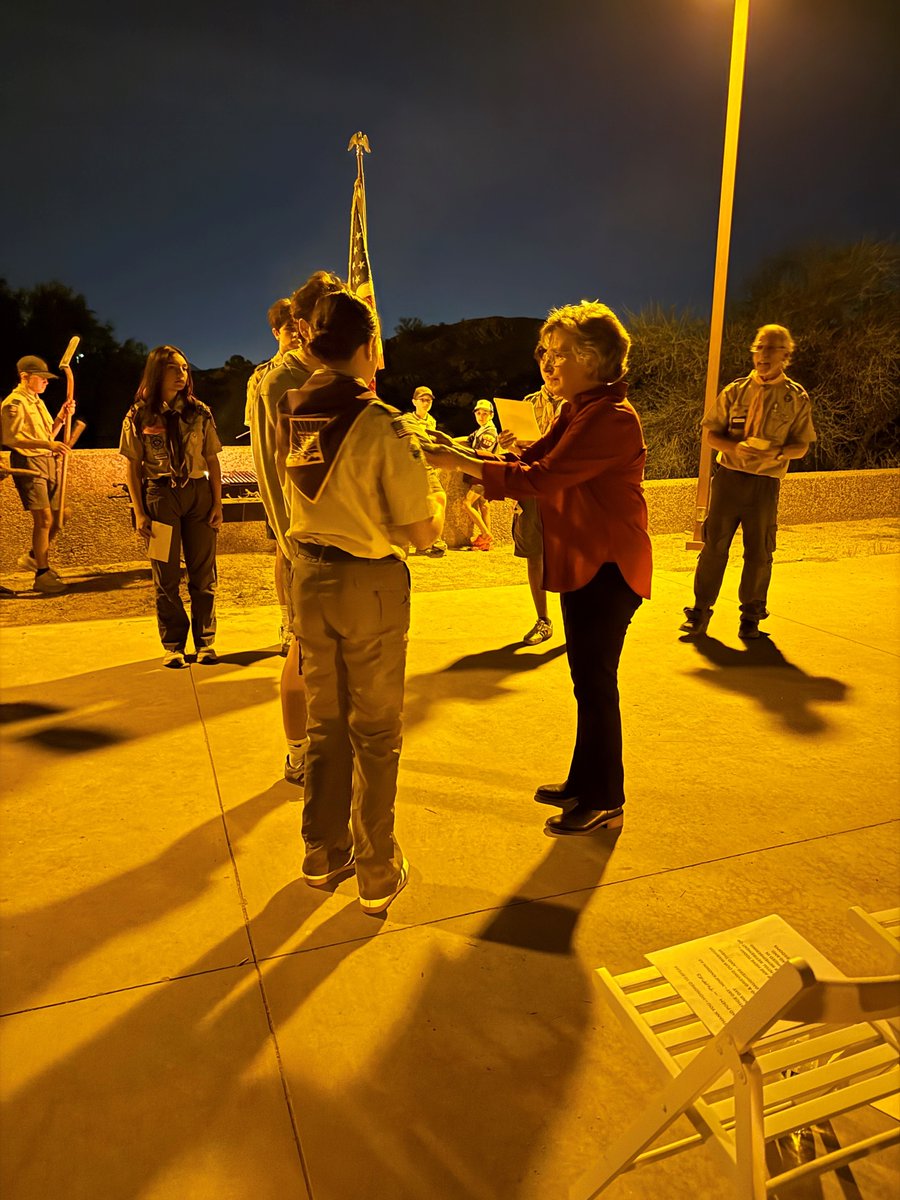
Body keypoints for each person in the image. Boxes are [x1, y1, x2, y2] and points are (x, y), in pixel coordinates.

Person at [425, 301, 651, 836]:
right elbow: (530, 462)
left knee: (596, 683)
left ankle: (605, 797)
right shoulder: (579, 409)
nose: (548, 365)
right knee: (586, 681)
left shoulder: (611, 417)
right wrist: (457, 449)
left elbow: (543, 477)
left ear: (596, 359)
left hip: (609, 562)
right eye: (545, 354)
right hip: (584, 559)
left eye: (561, 355)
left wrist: (459, 463)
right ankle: (583, 781)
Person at [283, 288, 443, 913]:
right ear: (369, 347)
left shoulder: (296, 411)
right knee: (375, 733)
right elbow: (421, 532)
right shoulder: (381, 423)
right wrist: (433, 497)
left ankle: (321, 855)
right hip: (367, 583)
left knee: (326, 727)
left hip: (309, 576)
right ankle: (377, 869)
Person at [680, 324, 815, 640]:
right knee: (713, 547)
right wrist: (735, 447)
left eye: (771, 349)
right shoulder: (735, 391)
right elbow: (712, 433)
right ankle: (700, 612)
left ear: (786, 355)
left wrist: (778, 452)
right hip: (728, 480)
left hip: (764, 485)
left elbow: (802, 445)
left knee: (759, 552)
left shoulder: (796, 398)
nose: (763, 356)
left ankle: (751, 618)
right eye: (759, 347)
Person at [119, 346, 223, 668]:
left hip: (197, 493)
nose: (182, 375)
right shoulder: (139, 415)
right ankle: (174, 644)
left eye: (184, 369)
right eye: (174, 369)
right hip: (161, 496)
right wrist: (138, 511)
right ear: (157, 372)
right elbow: (133, 466)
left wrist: (217, 502)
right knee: (165, 576)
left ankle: (205, 642)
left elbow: (212, 459)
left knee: (203, 574)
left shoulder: (199, 412)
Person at [245, 298, 302, 655]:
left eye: (300, 327)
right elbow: (259, 435)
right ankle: (287, 620)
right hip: (281, 481)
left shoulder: (318, 368)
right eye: (289, 330)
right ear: (275, 332)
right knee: (284, 550)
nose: (296, 335)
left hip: (315, 479)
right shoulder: (262, 377)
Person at [1, 356, 73, 594]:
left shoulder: (38, 402)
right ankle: (42, 573)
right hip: (28, 462)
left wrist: (62, 417)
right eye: (41, 378)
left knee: (60, 515)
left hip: (47, 460)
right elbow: (11, 439)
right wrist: (48, 445)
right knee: (43, 519)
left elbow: (49, 434)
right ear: (25, 377)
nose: (46, 382)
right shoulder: (14, 403)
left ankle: (35, 556)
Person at [513, 370, 563, 644]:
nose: (551, 370)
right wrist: (510, 445)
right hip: (533, 484)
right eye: (546, 364)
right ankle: (543, 619)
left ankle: (576, 622)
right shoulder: (528, 403)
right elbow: (519, 450)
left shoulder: (575, 403)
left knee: (571, 553)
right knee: (534, 551)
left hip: (564, 487)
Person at [407, 386, 447, 557]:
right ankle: (428, 541)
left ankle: (430, 541)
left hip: (428, 466)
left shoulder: (431, 421)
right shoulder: (407, 420)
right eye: (422, 400)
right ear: (414, 401)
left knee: (434, 499)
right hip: (411, 466)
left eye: (428, 400)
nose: (426, 403)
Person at [456, 398, 499, 549]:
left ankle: (486, 534)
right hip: (486, 473)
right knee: (484, 505)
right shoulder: (482, 429)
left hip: (482, 472)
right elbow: (468, 440)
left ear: (491, 415)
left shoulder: (489, 433)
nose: (481, 416)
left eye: (485, 414)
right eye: (478, 413)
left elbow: (480, 453)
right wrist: (450, 442)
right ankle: (486, 543)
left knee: (466, 504)